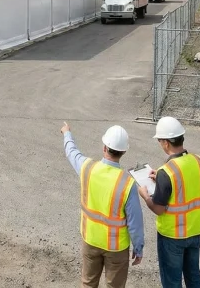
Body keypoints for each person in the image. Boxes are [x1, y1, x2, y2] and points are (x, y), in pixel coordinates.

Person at [61, 121, 144, 288]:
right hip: (116, 248)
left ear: (104, 147)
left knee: (88, 283)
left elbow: (71, 152)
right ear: (124, 151)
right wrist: (138, 248)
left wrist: (66, 133)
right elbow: (135, 223)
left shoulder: (87, 168)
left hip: (90, 240)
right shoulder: (127, 183)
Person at [137, 117, 200, 288]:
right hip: (195, 230)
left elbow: (159, 208)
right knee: (193, 275)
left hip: (172, 235)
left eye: (160, 140)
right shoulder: (199, 162)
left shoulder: (166, 171)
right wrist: (160, 179)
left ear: (166, 143)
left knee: (172, 281)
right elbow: (186, 184)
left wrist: (145, 196)